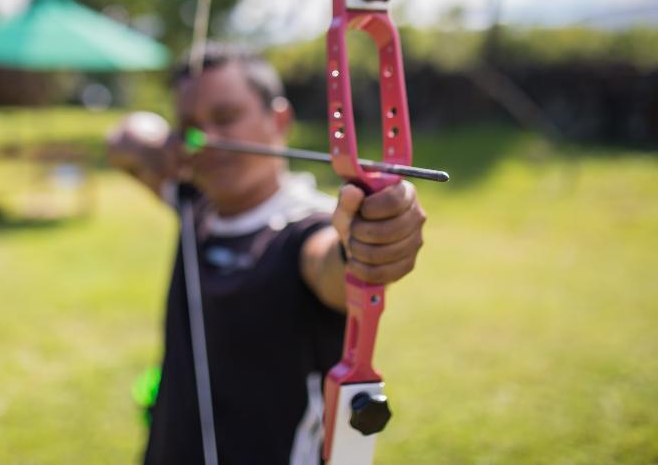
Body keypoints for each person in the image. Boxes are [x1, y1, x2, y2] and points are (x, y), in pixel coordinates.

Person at [107, 43, 427, 465]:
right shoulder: (194, 202)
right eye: (190, 126)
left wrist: (369, 245)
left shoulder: (305, 226)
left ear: (280, 119)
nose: (207, 139)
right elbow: (120, 141)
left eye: (225, 117)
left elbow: (332, 265)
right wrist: (155, 146)